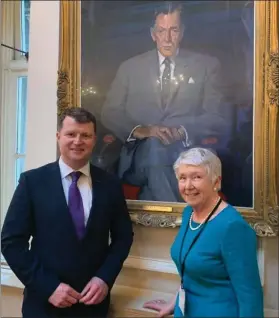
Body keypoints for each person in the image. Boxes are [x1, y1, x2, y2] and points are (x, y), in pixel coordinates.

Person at [1, 107, 134, 318]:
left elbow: (123, 237)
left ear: (94, 139)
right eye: (71, 134)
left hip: (92, 304)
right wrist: (48, 287)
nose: (78, 141)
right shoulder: (32, 182)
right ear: (58, 137)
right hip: (44, 304)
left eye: (85, 135)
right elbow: (11, 242)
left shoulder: (110, 184)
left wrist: (104, 278)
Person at [101, 1, 233, 202]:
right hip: (140, 158)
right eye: (162, 31)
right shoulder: (129, 68)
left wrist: (181, 130)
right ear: (153, 34)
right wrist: (142, 130)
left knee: (159, 166)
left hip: (190, 153)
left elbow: (219, 118)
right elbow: (110, 112)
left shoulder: (206, 66)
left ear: (182, 32)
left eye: (173, 30)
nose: (168, 38)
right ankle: (182, 223)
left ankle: (159, 215)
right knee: (155, 147)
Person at [143, 148, 263, 317]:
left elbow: (250, 295)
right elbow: (189, 270)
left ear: (216, 182)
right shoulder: (189, 213)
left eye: (196, 177)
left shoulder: (232, 226)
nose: (188, 186)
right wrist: (173, 303)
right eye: (182, 178)